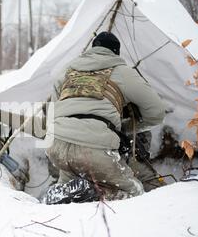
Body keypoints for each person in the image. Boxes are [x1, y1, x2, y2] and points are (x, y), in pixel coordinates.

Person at [43, 32, 166, 204]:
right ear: (116, 53)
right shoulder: (123, 72)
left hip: (58, 146)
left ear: (93, 49)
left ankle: (58, 194)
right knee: (134, 194)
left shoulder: (66, 72)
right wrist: (127, 127)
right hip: (95, 147)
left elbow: (54, 113)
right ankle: (92, 192)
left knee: (67, 185)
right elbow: (157, 112)